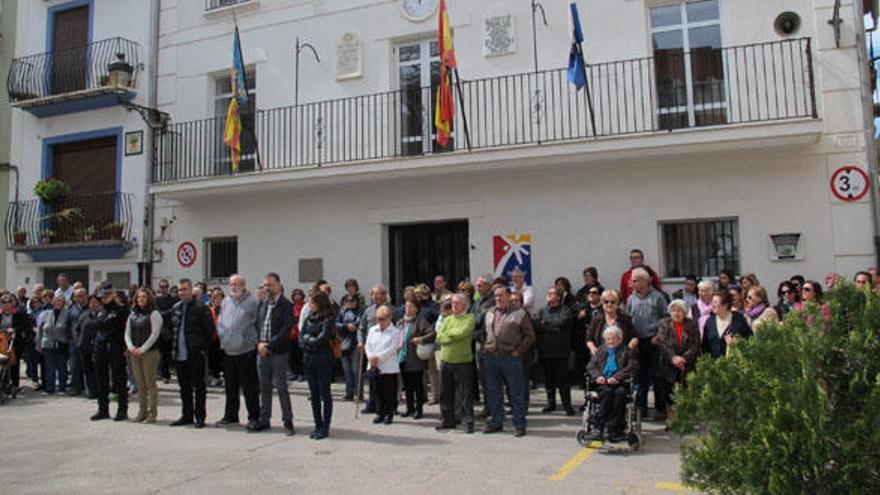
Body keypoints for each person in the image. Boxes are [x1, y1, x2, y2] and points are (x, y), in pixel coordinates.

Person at [482, 285, 534, 437]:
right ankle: (496, 422)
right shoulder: (490, 312)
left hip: (510, 358)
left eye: (501, 295)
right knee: (494, 392)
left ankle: (519, 425)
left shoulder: (519, 313)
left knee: (516, 393)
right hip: (492, 357)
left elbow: (530, 336)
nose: (498, 298)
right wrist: (486, 346)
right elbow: (484, 331)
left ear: (509, 296)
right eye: (496, 296)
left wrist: (518, 351)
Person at [216, 275, 261, 431]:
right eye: (232, 284)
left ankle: (254, 417)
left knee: (249, 387)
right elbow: (221, 322)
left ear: (244, 285)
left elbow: (258, 324)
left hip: (246, 350)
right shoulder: (226, 301)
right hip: (229, 351)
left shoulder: (253, 302)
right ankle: (231, 416)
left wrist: (252, 341)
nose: (234, 287)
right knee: (230, 387)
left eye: (237, 284)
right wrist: (223, 337)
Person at [625, 267, 669, 421]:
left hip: (654, 341)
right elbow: (628, 320)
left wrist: (658, 336)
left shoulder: (658, 297)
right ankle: (641, 409)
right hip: (638, 341)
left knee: (657, 376)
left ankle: (660, 409)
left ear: (645, 281)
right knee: (639, 377)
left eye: (635, 280)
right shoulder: (631, 299)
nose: (632, 283)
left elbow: (666, 319)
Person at [254, 273, 294, 435]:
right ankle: (265, 419)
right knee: (264, 387)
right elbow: (256, 326)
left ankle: (288, 421)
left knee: (281, 386)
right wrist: (259, 343)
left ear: (278, 285)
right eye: (265, 285)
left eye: (270, 285)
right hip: (261, 351)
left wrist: (269, 345)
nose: (267, 288)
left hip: (278, 352)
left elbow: (286, 329)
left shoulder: (285, 305)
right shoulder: (262, 304)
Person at [170, 279, 214, 428]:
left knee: (199, 386)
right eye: (180, 290)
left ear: (191, 291)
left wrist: (202, 348)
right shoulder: (175, 308)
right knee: (184, 387)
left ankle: (200, 417)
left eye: (185, 289)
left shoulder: (201, 307)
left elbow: (210, 331)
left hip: (195, 353)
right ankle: (186, 415)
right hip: (180, 354)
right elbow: (172, 329)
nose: (182, 292)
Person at [586, 326, 637, 442]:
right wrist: (598, 376)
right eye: (608, 339)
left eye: (613, 339)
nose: (611, 341)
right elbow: (591, 366)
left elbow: (632, 367)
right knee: (607, 392)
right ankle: (600, 427)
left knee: (620, 394)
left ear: (620, 339)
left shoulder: (627, 351)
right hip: (603, 383)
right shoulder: (600, 351)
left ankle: (614, 428)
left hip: (620, 383)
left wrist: (617, 377)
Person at [435, 293, 476, 433]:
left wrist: (449, 335)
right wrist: (451, 335)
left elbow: (463, 333)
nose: (454, 305)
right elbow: (439, 337)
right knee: (445, 393)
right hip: (446, 361)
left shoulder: (469, 318)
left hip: (463, 361)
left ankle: (467, 420)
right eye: (452, 303)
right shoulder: (447, 320)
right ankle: (447, 419)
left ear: (464, 304)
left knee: (464, 393)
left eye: (457, 303)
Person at [91, 282, 130, 421]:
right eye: (103, 296)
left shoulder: (121, 310)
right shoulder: (101, 310)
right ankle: (103, 409)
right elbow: (97, 327)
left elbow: (124, 329)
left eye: (107, 295)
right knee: (101, 380)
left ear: (113, 294)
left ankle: (122, 410)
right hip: (100, 347)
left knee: (119, 380)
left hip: (116, 347)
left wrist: (126, 347)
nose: (104, 299)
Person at [533, 287, 575, 416]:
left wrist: (546, 326)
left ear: (558, 296)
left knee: (563, 381)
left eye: (552, 294)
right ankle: (551, 404)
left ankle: (567, 406)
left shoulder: (565, 310)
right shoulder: (542, 311)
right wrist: (553, 328)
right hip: (546, 351)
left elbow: (563, 322)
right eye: (548, 293)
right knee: (548, 380)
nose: (549, 296)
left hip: (560, 352)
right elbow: (536, 325)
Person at [300, 291, 335, 440]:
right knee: (313, 394)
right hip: (309, 358)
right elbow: (303, 333)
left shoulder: (328, 318)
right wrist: (308, 339)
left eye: (312, 302)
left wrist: (311, 341)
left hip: (323, 359)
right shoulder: (309, 317)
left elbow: (323, 337)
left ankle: (325, 426)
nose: (309, 305)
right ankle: (317, 424)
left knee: (324, 393)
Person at [653, 300, 701, 408]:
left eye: (679, 311)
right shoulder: (664, 323)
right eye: (673, 310)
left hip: (687, 365)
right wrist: (673, 357)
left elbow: (696, 344)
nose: (676, 313)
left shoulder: (692, 324)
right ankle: (671, 421)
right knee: (670, 396)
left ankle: (686, 421)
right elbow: (662, 342)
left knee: (686, 395)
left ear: (684, 312)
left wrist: (683, 358)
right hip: (668, 365)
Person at [125, 288, 163, 423]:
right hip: (134, 352)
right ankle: (142, 411)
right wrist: (131, 347)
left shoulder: (154, 314)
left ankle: (152, 413)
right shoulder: (132, 314)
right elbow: (127, 333)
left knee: (150, 383)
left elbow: (155, 334)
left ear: (149, 298)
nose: (141, 299)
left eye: (144, 297)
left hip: (150, 352)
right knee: (140, 384)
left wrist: (143, 349)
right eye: (139, 297)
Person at [358, 285, 394, 413]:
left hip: (385, 350)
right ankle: (372, 404)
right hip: (370, 349)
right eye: (374, 294)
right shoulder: (368, 311)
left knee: (386, 382)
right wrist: (360, 342)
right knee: (372, 379)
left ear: (385, 295)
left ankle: (387, 407)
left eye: (379, 294)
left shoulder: (391, 310)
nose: (376, 296)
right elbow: (361, 328)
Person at [398, 299, 435, 419]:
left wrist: (421, 339)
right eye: (406, 306)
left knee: (417, 385)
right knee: (407, 385)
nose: (407, 309)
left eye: (410, 306)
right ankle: (410, 408)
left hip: (415, 358)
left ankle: (419, 409)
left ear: (416, 309)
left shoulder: (420, 321)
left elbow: (432, 333)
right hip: (402, 357)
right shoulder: (401, 322)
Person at [365, 305, 401, 425]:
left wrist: (378, 357)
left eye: (383, 319)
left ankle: (389, 413)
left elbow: (393, 348)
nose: (380, 321)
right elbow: (367, 345)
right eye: (378, 319)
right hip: (374, 365)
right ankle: (379, 412)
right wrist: (370, 356)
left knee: (389, 392)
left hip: (388, 366)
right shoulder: (372, 330)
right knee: (377, 390)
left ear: (389, 318)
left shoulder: (395, 331)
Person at [37, 294, 73, 395]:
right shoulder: (46, 313)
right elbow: (40, 329)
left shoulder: (67, 314)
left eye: (60, 301)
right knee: (49, 367)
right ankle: (49, 388)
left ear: (63, 303)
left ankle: (62, 388)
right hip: (47, 343)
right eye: (56, 301)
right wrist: (38, 343)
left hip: (61, 344)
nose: (58, 303)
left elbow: (69, 330)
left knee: (62, 367)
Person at [702, 290, 753, 359]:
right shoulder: (710, 321)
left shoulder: (738, 319)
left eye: (715, 302)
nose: (712, 305)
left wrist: (737, 342)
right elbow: (705, 346)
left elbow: (749, 339)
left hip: (734, 364)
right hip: (714, 366)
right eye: (712, 301)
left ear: (725, 305)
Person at [587, 289, 637, 355]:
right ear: (602, 303)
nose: (609, 304)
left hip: (622, 356)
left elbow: (634, 337)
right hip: (601, 356)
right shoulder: (596, 319)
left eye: (612, 302)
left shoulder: (625, 319)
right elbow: (589, 339)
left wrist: (629, 348)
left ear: (617, 303)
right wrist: (593, 348)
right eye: (606, 302)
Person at [1, 294, 31, 393]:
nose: (6, 305)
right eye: (3, 302)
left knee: (14, 362)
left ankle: (14, 384)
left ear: (12, 303)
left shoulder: (19, 314)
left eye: (8, 302)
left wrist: (14, 329)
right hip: (1, 340)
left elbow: (25, 326)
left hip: (14, 341)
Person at [336, 294, 362, 401]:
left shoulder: (360, 311)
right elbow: (336, 323)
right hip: (344, 343)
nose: (350, 303)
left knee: (356, 369)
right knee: (346, 370)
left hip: (355, 343)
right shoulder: (342, 312)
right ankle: (349, 392)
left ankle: (358, 393)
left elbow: (359, 322)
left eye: (352, 301)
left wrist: (353, 326)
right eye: (348, 301)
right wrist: (346, 326)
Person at [76, 295, 102, 399]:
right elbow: (77, 328)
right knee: (87, 370)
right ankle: (91, 391)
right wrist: (79, 341)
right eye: (91, 303)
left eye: (96, 302)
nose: (93, 305)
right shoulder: (84, 315)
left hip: (98, 348)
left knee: (98, 370)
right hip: (84, 347)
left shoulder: (102, 315)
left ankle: (100, 391)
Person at [154, 279, 177, 384]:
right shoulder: (156, 300)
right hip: (160, 330)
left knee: (169, 354)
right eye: (162, 287)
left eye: (166, 286)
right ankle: (165, 374)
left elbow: (175, 311)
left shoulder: (173, 299)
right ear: (159, 288)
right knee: (162, 354)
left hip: (171, 329)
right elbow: (157, 314)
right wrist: (168, 312)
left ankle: (169, 373)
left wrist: (167, 313)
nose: (164, 289)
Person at [65, 288, 88, 396]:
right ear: (74, 298)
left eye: (82, 295)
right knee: (74, 366)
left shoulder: (90, 308)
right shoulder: (70, 309)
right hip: (74, 341)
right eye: (78, 296)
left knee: (87, 366)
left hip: (87, 341)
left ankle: (89, 388)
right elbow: (67, 325)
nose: (80, 297)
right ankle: (77, 387)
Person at [207, 288, 225, 387]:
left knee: (224, 360)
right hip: (213, 339)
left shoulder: (226, 310)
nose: (217, 300)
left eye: (219, 298)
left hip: (224, 339)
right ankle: (215, 377)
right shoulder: (210, 310)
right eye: (214, 298)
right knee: (214, 360)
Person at [289, 288, 306, 382]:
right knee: (292, 355)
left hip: (300, 333)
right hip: (291, 334)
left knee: (300, 355)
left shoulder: (304, 306)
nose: (297, 296)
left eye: (299, 294)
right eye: (295, 295)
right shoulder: (291, 306)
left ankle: (301, 373)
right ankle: (294, 372)